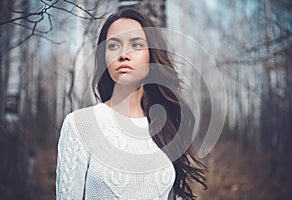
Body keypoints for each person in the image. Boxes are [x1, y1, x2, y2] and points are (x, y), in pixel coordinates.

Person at [56, 8, 207, 200]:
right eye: (113, 46)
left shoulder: (166, 126)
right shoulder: (80, 124)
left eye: (136, 45)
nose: (124, 54)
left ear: (151, 56)